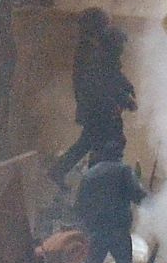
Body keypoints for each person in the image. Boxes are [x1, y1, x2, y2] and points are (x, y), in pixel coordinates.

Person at [52, 9, 137, 181]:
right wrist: (121, 99)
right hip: (96, 108)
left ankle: (61, 173)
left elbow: (111, 77)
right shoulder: (92, 52)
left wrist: (124, 92)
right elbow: (101, 84)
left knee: (89, 143)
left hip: (95, 107)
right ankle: (90, 183)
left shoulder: (92, 49)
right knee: (100, 145)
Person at [76, 143, 146, 263]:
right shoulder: (124, 171)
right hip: (118, 230)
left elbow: (79, 206)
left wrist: (86, 228)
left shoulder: (89, 174)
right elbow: (139, 196)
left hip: (97, 230)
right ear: (119, 154)